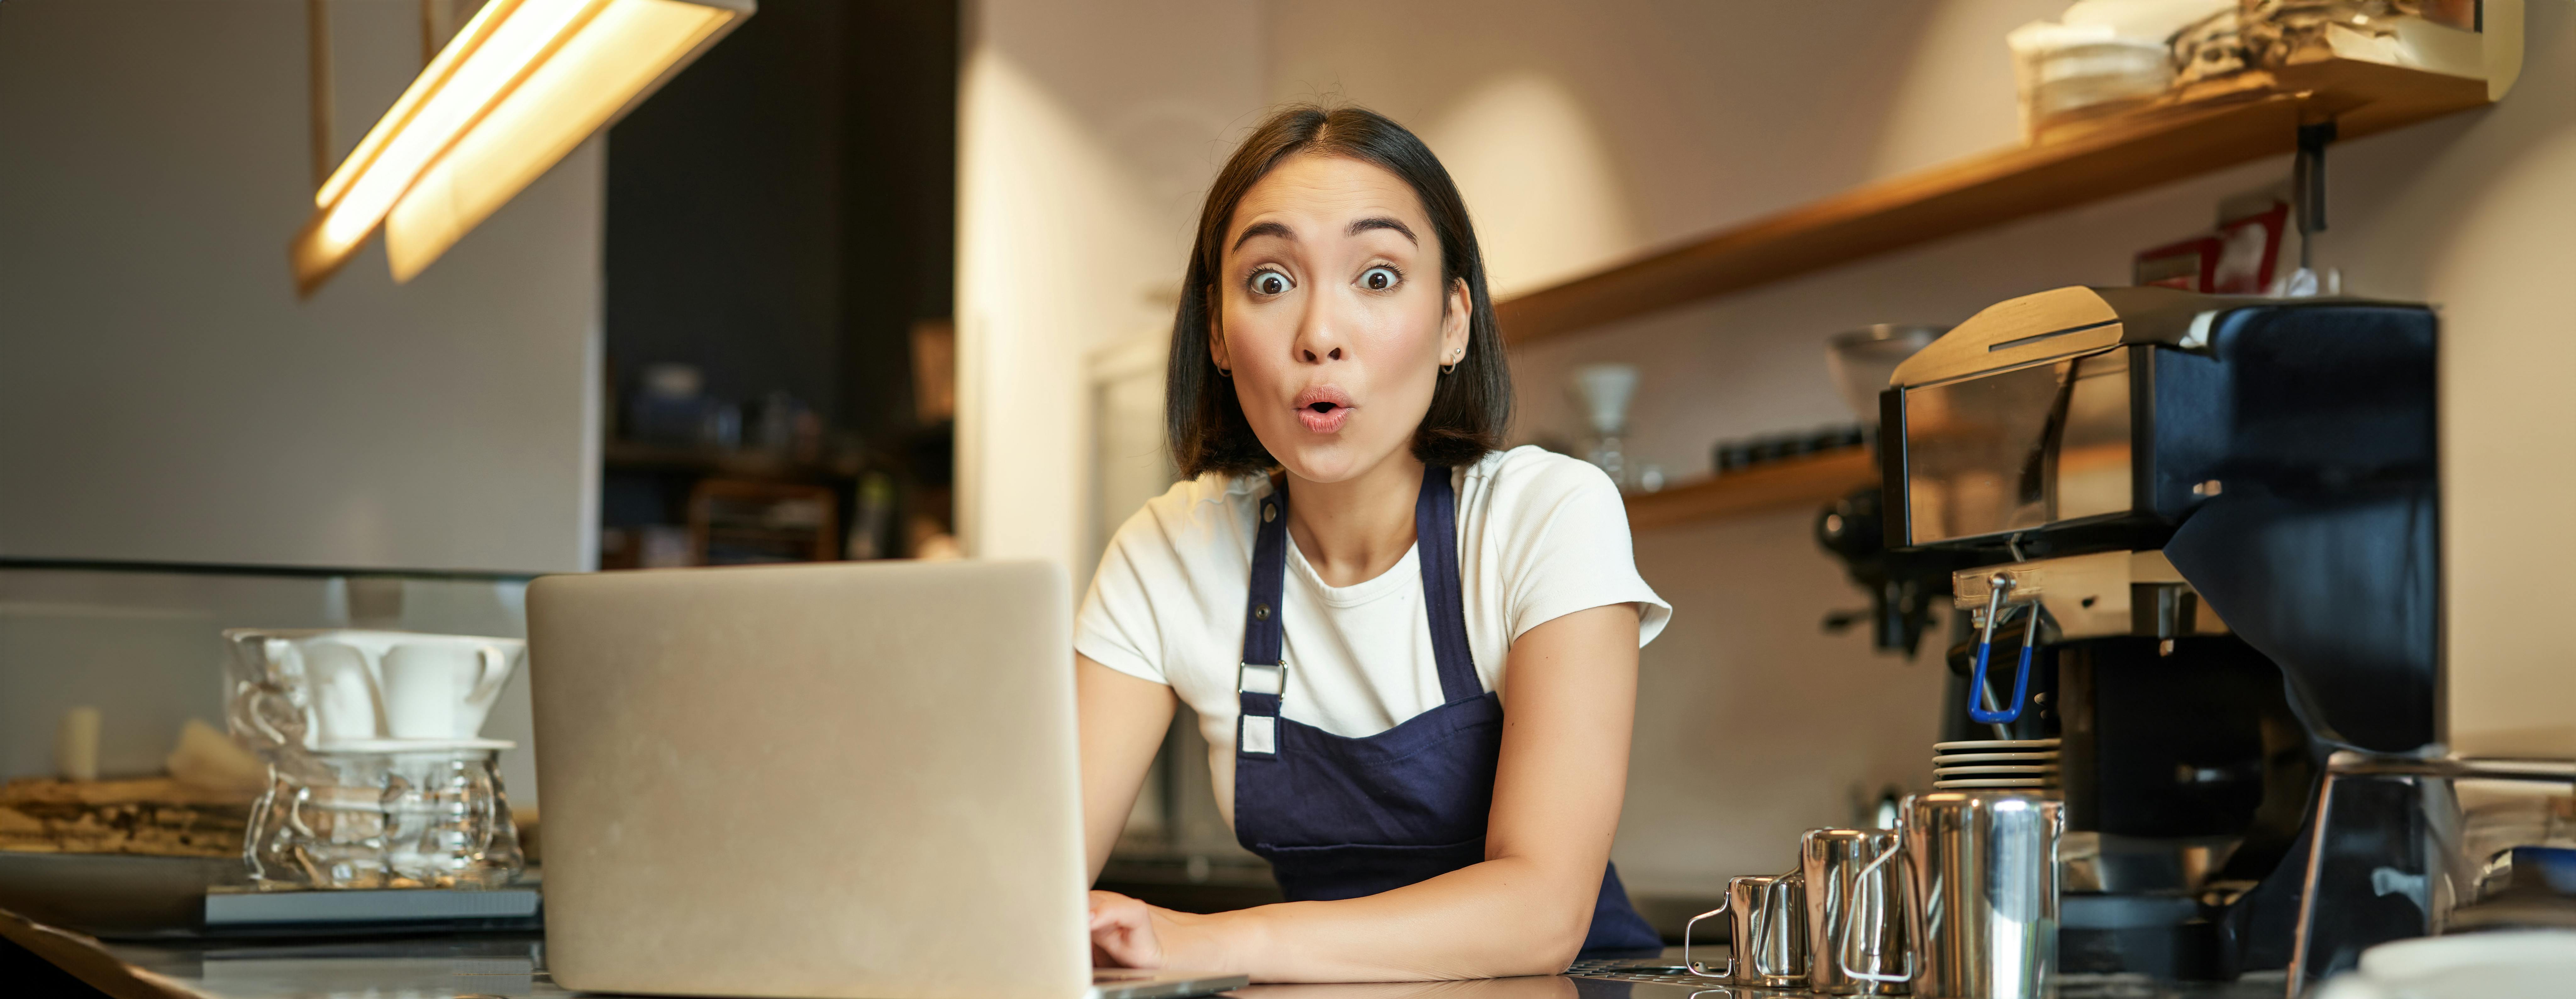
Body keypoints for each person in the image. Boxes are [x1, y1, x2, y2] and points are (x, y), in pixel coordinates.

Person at [1075, 104, 1671, 983]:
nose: (1321, 334)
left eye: (1380, 277)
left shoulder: (1548, 515)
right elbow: (1029, 877)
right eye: (1271, 282)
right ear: (1216, 332)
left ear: (1454, 324)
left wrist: (1214, 941)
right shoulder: (1168, 551)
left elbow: (1543, 910)